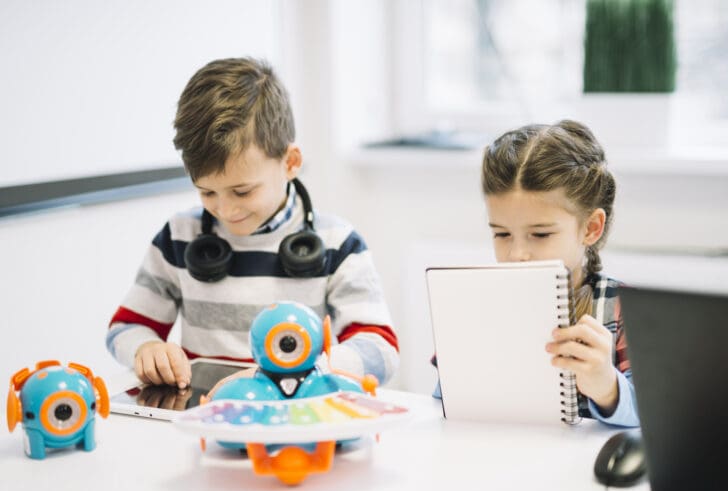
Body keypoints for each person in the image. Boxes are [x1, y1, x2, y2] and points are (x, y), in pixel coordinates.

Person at [106, 57, 399, 390]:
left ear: (290, 163)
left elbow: (381, 349)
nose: (226, 209)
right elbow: (125, 328)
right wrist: (147, 349)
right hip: (210, 416)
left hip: (296, 418)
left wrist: (303, 369)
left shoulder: (338, 244)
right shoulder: (178, 237)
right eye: (207, 192)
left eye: (242, 191)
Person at [434, 119, 638, 427]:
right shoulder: (481, 301)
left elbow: (653, 415)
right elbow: (443, 403)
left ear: (591, 228)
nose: (517, 254)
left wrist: (608, 387)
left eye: (540, 235)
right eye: (502, 235)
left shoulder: (622, 307)